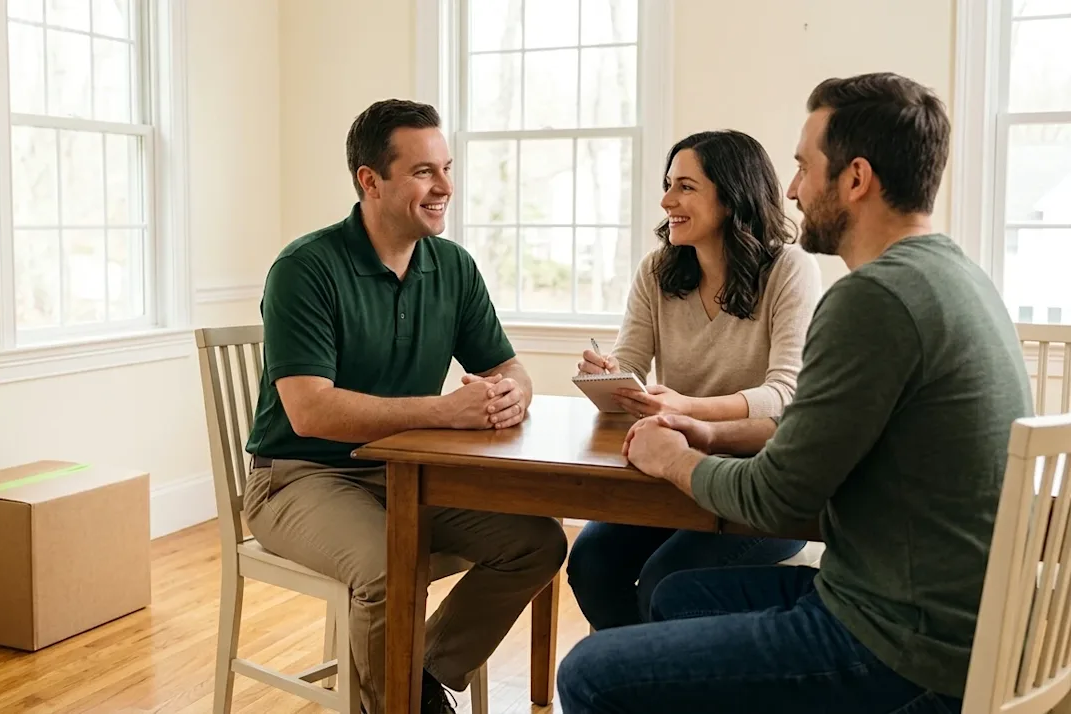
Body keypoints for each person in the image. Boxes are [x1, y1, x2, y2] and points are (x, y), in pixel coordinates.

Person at [557, 72, 1033, 713]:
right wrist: (711, 431)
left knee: (589, 673)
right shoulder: (957, 276)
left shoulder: (873, 298)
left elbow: (777, 497)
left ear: (856, 179)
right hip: (933, 615)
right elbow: (814, 437)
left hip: (901, 644)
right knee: (672, 596)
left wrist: (675, 457)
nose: (791, 190)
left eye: (805, 167)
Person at [241, 98, 567, 714]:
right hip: (299, 477)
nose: (445, 186)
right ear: (370, 180)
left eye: (447, 168)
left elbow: (506, 366)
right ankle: (401, 699)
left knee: (537, 543)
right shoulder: (305, 268)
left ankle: (416, 677)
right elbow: (311, 412)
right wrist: (445, 412)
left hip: (409, 476)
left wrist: (512, 394)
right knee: (390, 568)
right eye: (423, 171)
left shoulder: (453, 267)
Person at [567, 129, 822, 631]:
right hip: (671, 477)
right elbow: (630, 368)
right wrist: (609, 376)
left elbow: (785, 395)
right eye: (668, 185)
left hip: (761, 483)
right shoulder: (657, 271)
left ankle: (652, 668)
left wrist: (686, 408)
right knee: (591, 563)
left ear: (732, 197)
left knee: (665, 581)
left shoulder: (789, 270)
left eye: (685, 187)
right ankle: (634, 672)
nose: (667, 201)